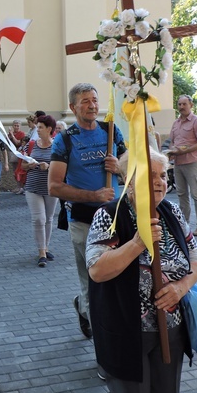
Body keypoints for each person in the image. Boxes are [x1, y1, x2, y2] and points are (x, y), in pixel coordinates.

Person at [87, 148, 197, 393]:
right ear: (131, 180)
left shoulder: (171, 211)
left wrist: (181, 287)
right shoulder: (109, 215)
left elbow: (196, 258)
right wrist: (138, 243)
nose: (161, 181)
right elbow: (97, 270)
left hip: (170, 327)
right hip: (125, 330)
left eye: (163, 175)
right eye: (152, 175)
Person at [48, 83, 126, 354]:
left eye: (94, 100)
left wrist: (120, 166)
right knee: (93, 283)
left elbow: (131, 172)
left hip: (117, 219)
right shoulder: (65, 139)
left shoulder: (111, 131)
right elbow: (54, 187)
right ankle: (105, 355)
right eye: (85, 101)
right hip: (83, 221)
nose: (92, 105)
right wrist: (94, 195)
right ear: (73, 107)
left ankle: (86, 308)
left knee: (118, 279)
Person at [167, 95, 197, 236]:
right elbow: (173, 142)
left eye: (184, 104)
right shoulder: (176, 123)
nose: (181, 107)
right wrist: (172, 151)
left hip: (192, 162)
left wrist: (184, 150)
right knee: (182, 194)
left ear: (191, 105)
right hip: (178, 163)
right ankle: (183, 225)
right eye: (179, 104)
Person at [21, 115, 59, 267]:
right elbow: (22, 165)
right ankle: (41, 252)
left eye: (41, 127)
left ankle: (46, 246)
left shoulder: (57, 146)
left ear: (49, 129)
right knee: (39, 219)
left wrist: (48, 167)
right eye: (37, 127)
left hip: (51, 188)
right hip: (32, 187)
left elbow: (63, 166)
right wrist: (29, 165)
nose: (38, 129)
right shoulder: (31, 145)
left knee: (49, 219)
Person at [8, 119, 27, 194]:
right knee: (14, 171)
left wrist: (12, 135)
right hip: (13, 153)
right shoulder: (11, 133)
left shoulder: (22, 134)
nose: (16, 127)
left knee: (19, 171)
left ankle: (21, 187)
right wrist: (9, 135)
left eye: (17, 126)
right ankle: (18, 186)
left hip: (19, 154)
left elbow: (17, 143)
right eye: (15, 126)